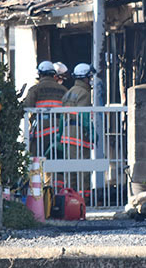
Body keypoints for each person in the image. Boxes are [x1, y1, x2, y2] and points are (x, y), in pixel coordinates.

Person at [61, 63, 96, 198]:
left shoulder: (69, 92)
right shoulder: (84, 94)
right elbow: (84, 116)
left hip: (67, 135)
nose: (91, 80)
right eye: (90, 77)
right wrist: (91, 133)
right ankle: (83, 199)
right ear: (85, 78)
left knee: (70, 169)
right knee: (83, 169)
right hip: (79, 135)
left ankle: (70, 198)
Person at [23, 60, 68, 156]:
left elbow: (26, 107)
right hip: (59, 131)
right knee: (56, 159)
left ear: (40, 74)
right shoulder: (64, 90)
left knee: (36, 159)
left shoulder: (35, 89)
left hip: (41, 131)